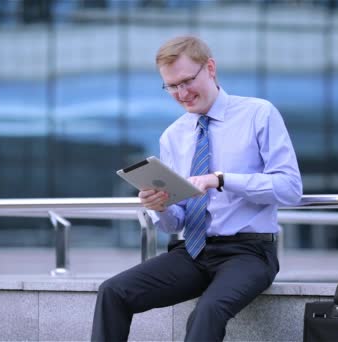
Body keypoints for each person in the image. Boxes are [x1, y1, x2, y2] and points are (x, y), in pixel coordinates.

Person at [91, 35, 302, 342]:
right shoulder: (173, 136)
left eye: (187, 81)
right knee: (113, 291)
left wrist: (221, 179)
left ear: (210, 68)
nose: (182, 93)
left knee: (207, 310)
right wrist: (159, 207)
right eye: (172, 86)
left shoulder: (259, 114)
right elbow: (176, 221)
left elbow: (290, 187)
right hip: (191, 252)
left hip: (249, 252)